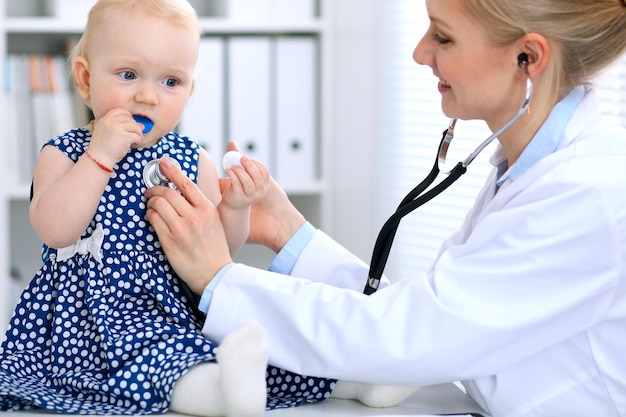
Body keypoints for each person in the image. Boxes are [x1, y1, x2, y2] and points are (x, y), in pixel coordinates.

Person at [144, 0, 626, 416]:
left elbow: (411, 336)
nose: (419, 53)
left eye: (443, 37)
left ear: (529, 56)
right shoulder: (529, 168)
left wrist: (217, 277)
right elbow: (428, 316)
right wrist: (289, 232)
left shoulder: (585, 193)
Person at [0, 0, 419, 415]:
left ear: (190, 90)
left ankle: (360, 377)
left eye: (170, 82)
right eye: (128, 75)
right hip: (94, 323)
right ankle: (223, 394)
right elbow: (56, 230)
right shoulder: (66, 154)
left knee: (267, 345)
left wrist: (236, 208)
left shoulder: (191, 158)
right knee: (166, 362)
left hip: (178, 309)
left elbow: (222, 252)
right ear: (86, 79)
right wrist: (101, 156)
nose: (147, 96)